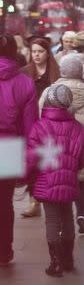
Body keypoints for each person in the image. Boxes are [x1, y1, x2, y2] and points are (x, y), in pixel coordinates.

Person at [26, 84, 84, 277]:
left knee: (52, 219)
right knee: (68, 216)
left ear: (48, 102)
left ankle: (56, 263)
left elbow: (32, 157)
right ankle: (68, 259)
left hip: (47, 180)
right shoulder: (78, 128)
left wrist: (25, 175)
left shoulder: (39, 126)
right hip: (69, 180)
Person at [39, 54, 84, 234]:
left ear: (62, 70)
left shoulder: (50, 92)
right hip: (80, 149)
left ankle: (58, 228)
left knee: (60, 190)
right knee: (82, 185)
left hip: (55, 150)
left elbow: (40, 116)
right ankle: (83, 214)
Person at [0, 34, 38, 264]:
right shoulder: (25, 82)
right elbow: (30, 125)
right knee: (5, 201)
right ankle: (4, 250)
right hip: (10, 147)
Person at [21, 37, 60, 218]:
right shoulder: (24, 73)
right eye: (33, 51)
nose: (36, 55)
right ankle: (33, 201)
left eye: (40, 51)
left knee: (48, 163)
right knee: (31, 162)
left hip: (49, 127)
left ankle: (49, 197)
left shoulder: (56, 74)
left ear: (47, 53)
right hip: (30, 125)